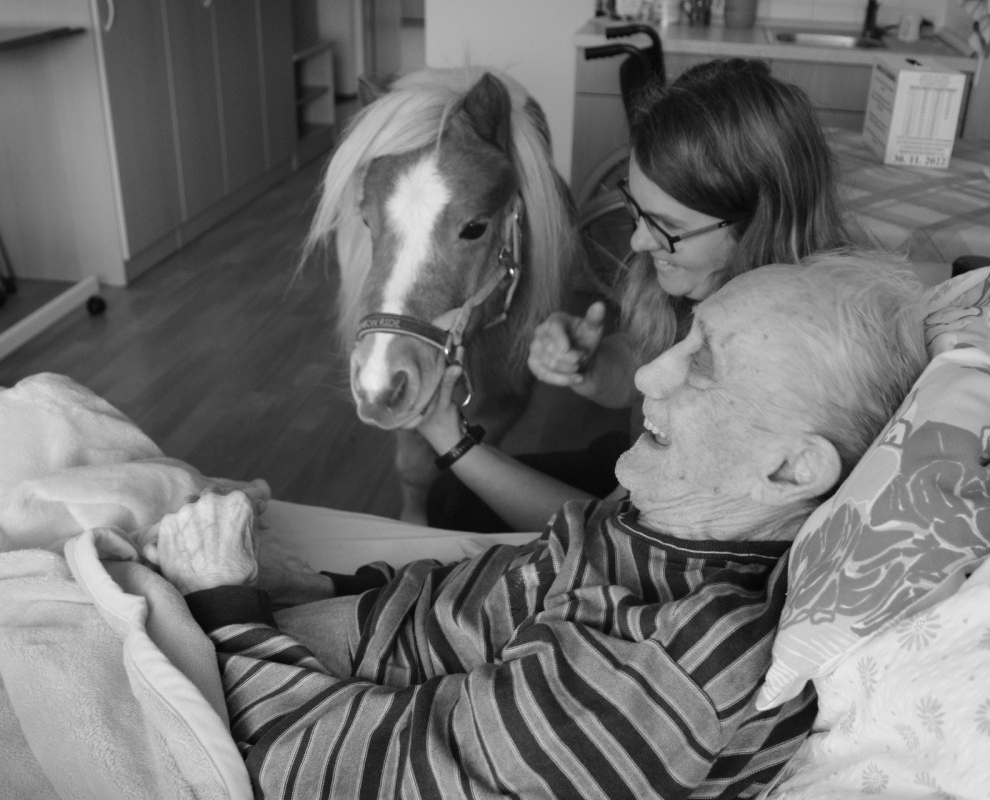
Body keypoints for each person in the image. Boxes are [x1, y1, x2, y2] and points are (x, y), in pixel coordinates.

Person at [147, 254, 927, 800]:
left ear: (791, 470)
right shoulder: (670, 523)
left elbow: (358, 775)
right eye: (683, 339)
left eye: (704, 364)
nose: (652, 373)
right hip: (321, 651)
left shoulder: (691, 660)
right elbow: (505, 591)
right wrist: (319, 585)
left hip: (269, 724)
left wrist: (224, 605)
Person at [424, 58, 854, 532]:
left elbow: (606, 534)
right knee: (452, 498)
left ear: (760, 222)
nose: (638, 243)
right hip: (643, 459)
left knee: (457, 492)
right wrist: (593, 364)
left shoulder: (769, 380)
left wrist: (451, 439)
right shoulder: (712, 278)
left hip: (652, 517)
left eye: (668, 228)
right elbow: (648, 360)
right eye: (637, 209)